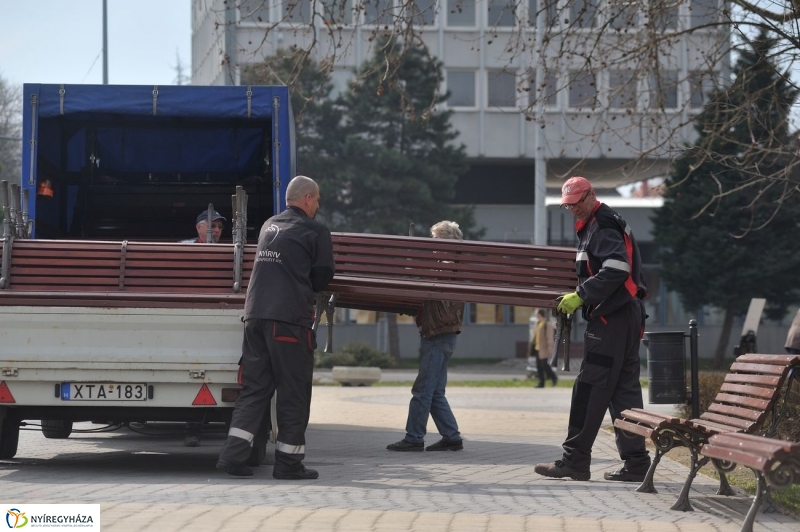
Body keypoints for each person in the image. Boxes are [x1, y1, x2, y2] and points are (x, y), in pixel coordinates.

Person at [216, 175, 335, 479]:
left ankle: (232, 457)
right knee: (293, 393)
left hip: (255, 317)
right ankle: (288, 464)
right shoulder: (315, 231)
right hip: (289, 322)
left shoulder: (270, 225)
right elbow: (322, 278)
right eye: (317, 199)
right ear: (307, 198)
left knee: (255, 390)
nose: (318, 204)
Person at [534, 176, 650, 482]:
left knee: (589, 387)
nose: (573, 209)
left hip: (611, 318)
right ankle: (637, 462)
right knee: (624, 391)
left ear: (591, 195)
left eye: (577, 203)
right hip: (626, 315)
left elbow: (617, 268)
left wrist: (580, 296)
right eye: (568, 205)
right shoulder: (599, 223)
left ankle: (574, 461)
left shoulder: (601, 225)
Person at [387, 221, 466, 453]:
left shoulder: (445, 268)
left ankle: (414, 437)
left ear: (448, 243)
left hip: (437, 333)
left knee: (422, 390)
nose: (432, 246)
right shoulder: (452, 268)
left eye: (436, 240)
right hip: (443, 333)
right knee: (435, 391)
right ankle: (451, 436)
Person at [532, 308, 558, 388]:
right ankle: (541, 382)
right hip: (537, 348)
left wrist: (550, 347)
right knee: (539, 366)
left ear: (540, 314)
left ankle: (553, 377)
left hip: (544, 348)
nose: (535, 315)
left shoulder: (547, 324)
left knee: (544, 365)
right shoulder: (538, 323)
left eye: (536, 313)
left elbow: (550, 337)